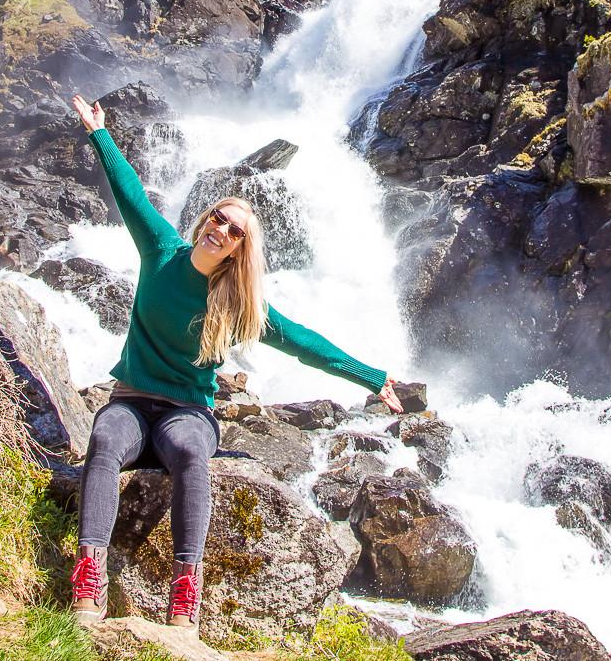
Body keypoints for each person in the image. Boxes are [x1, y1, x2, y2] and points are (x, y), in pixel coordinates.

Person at [65, 93, 404, 632]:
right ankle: (89, 571)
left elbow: (302, 342)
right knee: (105, 441)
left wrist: (374, 377)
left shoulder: (238, 303)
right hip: (131, 398)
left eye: (234, 230)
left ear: (238, 250)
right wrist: (99, 133)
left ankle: (185, 587)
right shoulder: (162, 251)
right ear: (206, 220)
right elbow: (130, 194)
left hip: (187, 410)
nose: (221, 228)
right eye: (219, 218)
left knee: (190, 454)